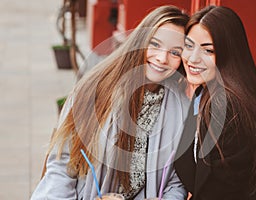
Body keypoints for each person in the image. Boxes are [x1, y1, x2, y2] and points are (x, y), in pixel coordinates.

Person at [31, 5, 190, 200]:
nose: (162, 58)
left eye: (175, 52)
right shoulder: (95, 90)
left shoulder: (182, 109)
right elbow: (62, 164)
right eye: (155, 44)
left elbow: (176, 183)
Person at [174, 5, 256, 200]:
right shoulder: (205, 92)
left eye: (208, 50)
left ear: (228, 54)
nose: (192, 58)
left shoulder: (229, 109)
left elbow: (216, 192)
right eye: (188, 46)